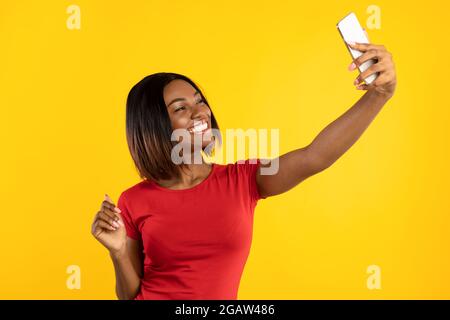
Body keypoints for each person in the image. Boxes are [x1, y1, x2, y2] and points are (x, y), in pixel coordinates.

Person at [91, 41, 396, 299]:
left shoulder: (242, 180)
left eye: (200, 101)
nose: (201, 112)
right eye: (181, 108)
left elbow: (313, 157)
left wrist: (379, 94)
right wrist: (117, 252)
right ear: (154, 125)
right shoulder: (133, 200)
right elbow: (129, 294)